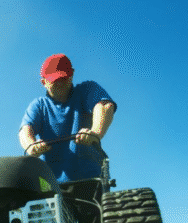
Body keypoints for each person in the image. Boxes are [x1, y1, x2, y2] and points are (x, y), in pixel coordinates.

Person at [19, 54, 117, 183]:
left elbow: (104, 106)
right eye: (55, 80)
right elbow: (25, 130)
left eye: (64, 78)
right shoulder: (39, 105)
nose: (60, 83)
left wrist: (95, 133)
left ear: (72, 74)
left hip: (90, 180)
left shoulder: (86, 90)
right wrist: (31, 146)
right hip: (51, 185)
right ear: (43, 82)